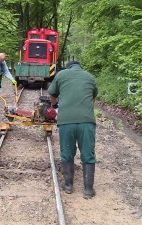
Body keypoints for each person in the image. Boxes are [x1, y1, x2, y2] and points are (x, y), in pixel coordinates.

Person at [48, 61, 98, 199]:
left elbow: (52, 93)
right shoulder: (89, 76)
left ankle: (68, 185)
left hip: (66, 121)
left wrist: (55, 105)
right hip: (86, 121)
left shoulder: (61, 75)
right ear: (80, 67)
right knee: (88, 153)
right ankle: (88, 190)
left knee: (67, 152)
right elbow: (93, 97)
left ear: (68, 67)